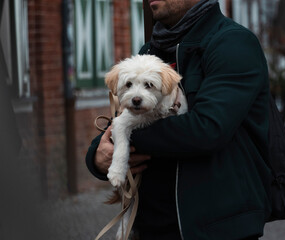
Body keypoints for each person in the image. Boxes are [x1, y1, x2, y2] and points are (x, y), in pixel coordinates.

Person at [86, 0, 272, 239]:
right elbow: (122, 119)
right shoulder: (149, 52)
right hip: (152, 227)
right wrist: (97, 156)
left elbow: (207, 129)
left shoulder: (232, 44)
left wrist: (126, 137)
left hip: (216, 227)